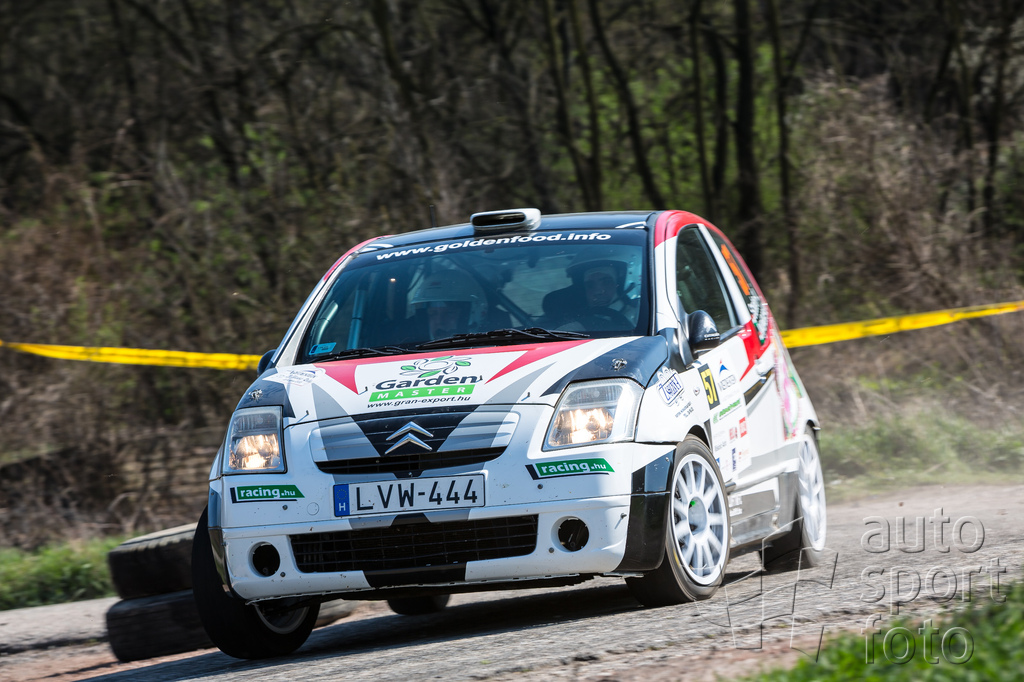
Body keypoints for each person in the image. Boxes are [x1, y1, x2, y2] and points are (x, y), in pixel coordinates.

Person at [408, 268, 488, 340]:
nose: (440, 321)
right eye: (433, 313)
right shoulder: (406, 347)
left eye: (450, 313)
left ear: (474, 314)